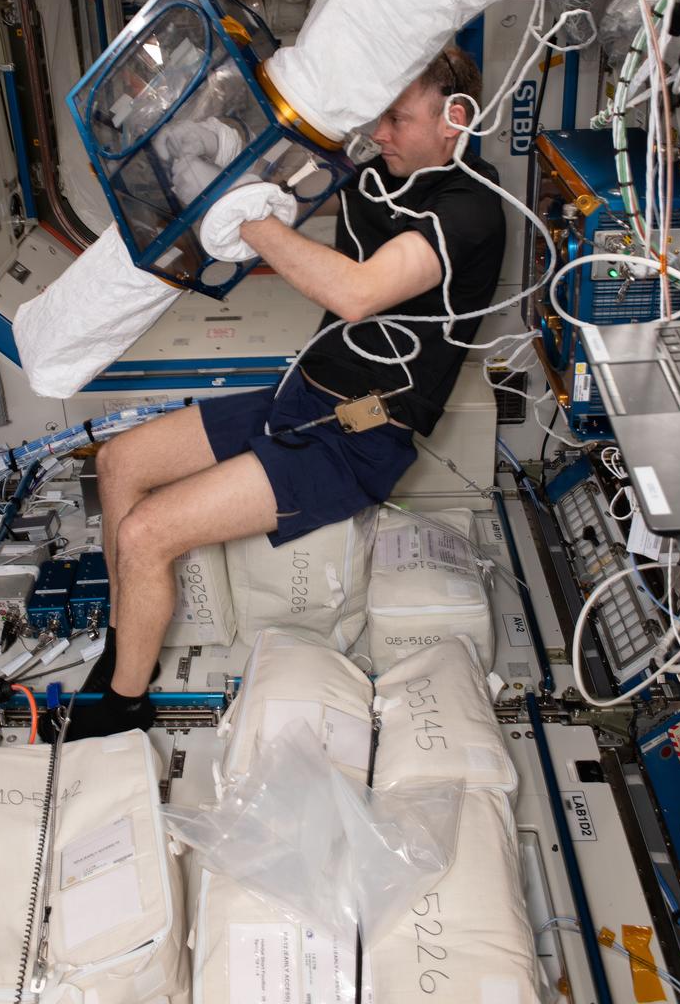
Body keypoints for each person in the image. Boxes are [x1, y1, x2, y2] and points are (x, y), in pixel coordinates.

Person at [43, 45, 506, 742]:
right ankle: (121, 642)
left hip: (358, 439)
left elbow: (358, 293)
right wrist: (214, 143)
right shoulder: (381, 171)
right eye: (378, 116)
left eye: (398, 120)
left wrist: (245, 219)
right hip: (301, 395)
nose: (379, 134)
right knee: (118, 464)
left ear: (454, 120)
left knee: (146, 534)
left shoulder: (471, 209)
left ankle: (122, 705)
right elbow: (287, 158)